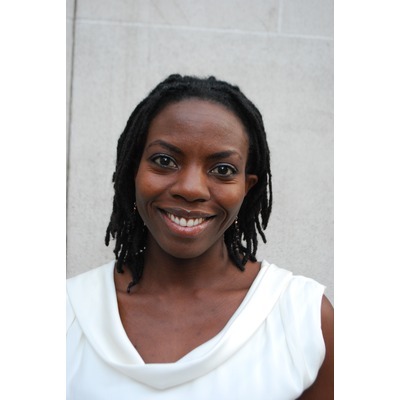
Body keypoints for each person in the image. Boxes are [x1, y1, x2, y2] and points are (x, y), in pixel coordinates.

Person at [66, 74, 334, 399]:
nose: (191, 189)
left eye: (222, 169)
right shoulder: (69, 312)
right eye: (164, 161)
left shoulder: (304, 318)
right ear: (131, 173)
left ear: (247, 189)